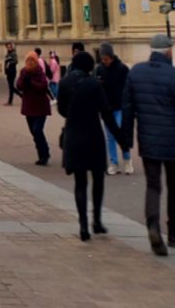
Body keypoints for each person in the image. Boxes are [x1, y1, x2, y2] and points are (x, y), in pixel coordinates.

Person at [122, 34, 175, 256]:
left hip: (148, 139)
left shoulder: (136, 73)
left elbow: (127, 109)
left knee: (153, 185)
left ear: (151, 50)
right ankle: (173, 234)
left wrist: (126, 139)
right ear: (169, 51)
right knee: (174, 186)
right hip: (173, 139)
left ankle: (153, 226)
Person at [58, 51, 127, 241]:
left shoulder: (64, 83)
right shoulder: (94, 84)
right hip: (93, 135)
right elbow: (106, 113)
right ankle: (96, 220)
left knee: (80, 183)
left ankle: (82, 225)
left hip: (73, 135)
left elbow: (61, 110)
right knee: (98, 179)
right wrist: (122, 139)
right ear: (89, 66)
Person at [95, 42, 133, 175]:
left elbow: (129, 87)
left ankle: (127, 159)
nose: (104, 61)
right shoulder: (99, 69)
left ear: (111, 56)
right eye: (102, 59)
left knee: (120, 132)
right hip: (106, 108)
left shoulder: (122, 68)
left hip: (120, 107)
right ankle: (114, 162)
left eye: (106, 59)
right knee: (110, 136)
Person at [16, 51, 52, 165]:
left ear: (36, 62)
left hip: (41, 107)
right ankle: (41, 154)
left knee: (37, 130)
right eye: (28, 60)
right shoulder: (24, 71)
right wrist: (24, 81)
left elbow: (43, 86)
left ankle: (45, 154)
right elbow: (18, 85)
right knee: (33, 132)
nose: (30, 62)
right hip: (29, 106)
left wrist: (32, 83)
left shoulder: (39, 72)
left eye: (32, 60)